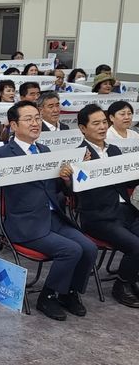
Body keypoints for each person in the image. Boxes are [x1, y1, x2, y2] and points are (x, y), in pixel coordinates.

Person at [0, 101, 97, 320]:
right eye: (28, 119)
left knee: (89, 247)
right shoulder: (1, 155)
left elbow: (55, 188)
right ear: (13, 125)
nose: (35, 123)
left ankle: (68, 293)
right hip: (25, 222)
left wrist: (66, 178)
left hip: (52, 216)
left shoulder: (45, 150)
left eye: (37, 118)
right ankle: (47, 297)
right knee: (71, 250)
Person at [73, 104, 139, 307]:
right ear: (83, 128)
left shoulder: (115, 150)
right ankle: (122, 285)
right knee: (136, 246)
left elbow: (126, 182)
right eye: (96, 123)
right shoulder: (78, 155)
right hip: (98, 216)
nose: (102, 127)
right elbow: (73, 192)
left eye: (104, 122)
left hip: (125, 211)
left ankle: (131, 277)